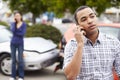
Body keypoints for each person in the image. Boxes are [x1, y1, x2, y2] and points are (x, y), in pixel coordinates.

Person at [63, 6, 120, 80]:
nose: (90, 21)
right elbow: (70, 76)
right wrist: (80, 45)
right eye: (84, 19)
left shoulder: (113, 42)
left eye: (92, 16)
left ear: (96, 18)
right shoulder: (72, 45)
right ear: (78, 26)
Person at [9, 11, 26, 80]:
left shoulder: (24, 24)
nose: (17, 17)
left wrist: (16, 32)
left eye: (18, 15)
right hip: (13, 43)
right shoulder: (13, 24)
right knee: (13, 60)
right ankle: (13, 76)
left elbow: (22, 33)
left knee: (20, 60)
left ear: (21, 16)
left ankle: (21, 76)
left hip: (20, 44)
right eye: (16, 16)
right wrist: (15, 25)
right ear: (14, 17)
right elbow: (12, 30)